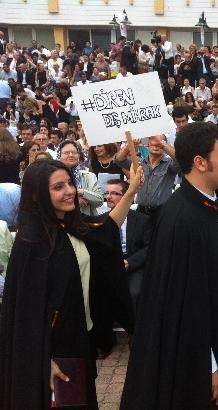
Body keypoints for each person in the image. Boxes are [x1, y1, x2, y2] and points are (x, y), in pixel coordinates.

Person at [121, 122, 218, 409]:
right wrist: (209, 363)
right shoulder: (183, 220)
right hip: (195, 357)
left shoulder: (208, 204)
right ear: (200, 163)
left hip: (214, 333)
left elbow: (214, 270)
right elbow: (184, 304)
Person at [0, 159, 141, 409]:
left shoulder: (70, 227)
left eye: (69, 183)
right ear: (37, 195)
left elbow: (106, 228)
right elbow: (26, 314)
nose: (70, 191)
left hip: (81, 338)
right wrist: (43, 359)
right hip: (56, 351)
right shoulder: (33, 242)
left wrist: (131, 191)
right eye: (58, 187)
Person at [104, 179, 151, 312]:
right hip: (110, 265)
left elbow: (149, 248)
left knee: (134, 293)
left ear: (126, 196)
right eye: (107, 193)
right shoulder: (102, 220)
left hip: (133, 264)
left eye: (114, 193)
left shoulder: (142, 220)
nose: (108, 197)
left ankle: (134, 330)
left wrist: (129, 263)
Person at [115, 134, 179, 224]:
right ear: (148, 144)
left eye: (160, 143)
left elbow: (181, 160)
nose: (157, 145)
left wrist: (163, 144)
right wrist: (129, 145)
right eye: (153, 142)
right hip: (141, 212)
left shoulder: (170, 164)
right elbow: (118, 160)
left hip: (162, 213)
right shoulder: (138, 162)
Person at [57, 140, 103, 216]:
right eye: (66, 153)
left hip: (86, 221)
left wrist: (82, 192)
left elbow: (99, 201)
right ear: (59, 156)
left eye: (74, 152)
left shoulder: (89, 176)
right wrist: (75, 202)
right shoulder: (53, 177)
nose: (71, 155)